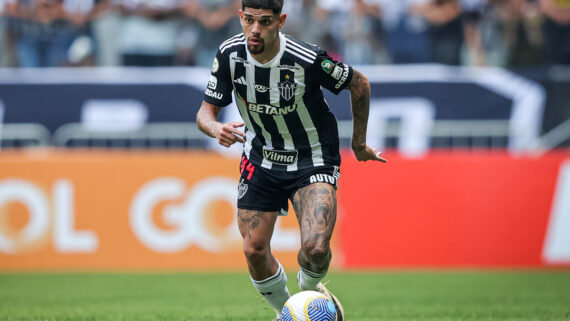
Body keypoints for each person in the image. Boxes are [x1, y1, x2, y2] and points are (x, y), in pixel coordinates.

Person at [196, 0, 386, 320]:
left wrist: (359, 143)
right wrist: (215, 127)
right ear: (240, 16)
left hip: (312, 159)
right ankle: (287, 313)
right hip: (260, 158)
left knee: (315, 249)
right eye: (250, 20)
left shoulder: (307, 58)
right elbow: (205, 111)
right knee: (253, 249)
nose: (255, 30)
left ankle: (309, 290)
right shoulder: (229, 54)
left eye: (265, 22)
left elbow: (359, 83)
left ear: (280, 21)